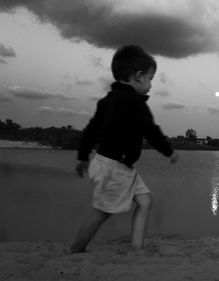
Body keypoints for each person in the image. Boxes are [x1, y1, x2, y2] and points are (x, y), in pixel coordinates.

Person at [71, 45, 178, 254]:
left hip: (117, 165)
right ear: (138, 76)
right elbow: (151, 131)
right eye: (151, 78)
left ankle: (136, 249)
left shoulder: (107, 101)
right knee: (102, 212)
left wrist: (84, 157)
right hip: (114, 167)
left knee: (145, 201)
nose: (151, 84)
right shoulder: (135, 104)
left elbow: (90, 130)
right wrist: (169, 151)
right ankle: (76, 250)